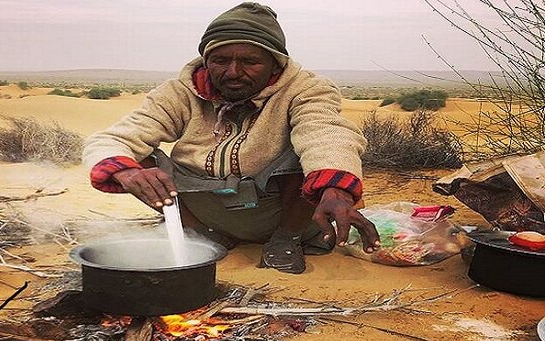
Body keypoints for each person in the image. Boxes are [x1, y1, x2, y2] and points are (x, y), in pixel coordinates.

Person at [84, 2, 379, 274]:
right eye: (220, 60)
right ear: (206, 59)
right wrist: (125, 170)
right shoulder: (178, 92)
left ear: (276, 64)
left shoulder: (306, 88)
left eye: (250, 62)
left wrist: (335, 189)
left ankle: (285, 241)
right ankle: (201, 234)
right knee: (138, 161)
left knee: (306, 157)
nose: (233, 72)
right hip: (204, 208)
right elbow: (117, 136)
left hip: (280, 209)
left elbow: (325, 132)